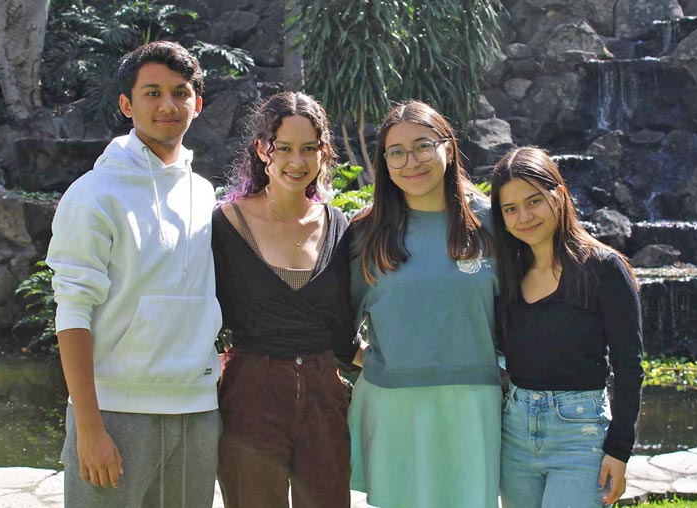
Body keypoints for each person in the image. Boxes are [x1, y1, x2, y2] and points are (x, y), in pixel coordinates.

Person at [46, 41, 222, 508]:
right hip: (116, 412)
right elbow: (72, 311)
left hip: (197, 409)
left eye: (181, 92)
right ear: (127, 104)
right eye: (152, 93)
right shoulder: (93, 195)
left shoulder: (205, 194)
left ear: (197, 104)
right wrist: (88, 427)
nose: (168, 105)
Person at [348, 100, 502, 508]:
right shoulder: (366, 233)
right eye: (396, 152)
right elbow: (333, 327)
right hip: (392, 403)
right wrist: (386, 361)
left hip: (474, 404)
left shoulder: (493, 223)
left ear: (448, 148)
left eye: (422, 146)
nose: (410, 161)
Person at [212, 91, 358, 508]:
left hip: (323, 393)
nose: (298, 162)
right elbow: (198, 307)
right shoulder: (225, 224)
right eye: (285, 148)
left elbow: (344, 323)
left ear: (322, 153)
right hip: (250, 391)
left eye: (309, 149)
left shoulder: (339, 225)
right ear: (262, 149)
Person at [490, 147, 644, 508]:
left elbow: (629, 366)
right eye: (510, 209)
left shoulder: (603, 268)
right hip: (515, 432)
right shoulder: (508, 273)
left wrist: (620, 450)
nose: (523, 217)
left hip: (581, 435)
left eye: (534, 201)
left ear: (558, 195)